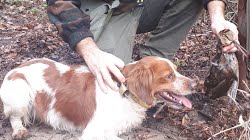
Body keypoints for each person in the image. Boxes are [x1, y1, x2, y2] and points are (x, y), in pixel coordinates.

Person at [46, 0, 239, 93]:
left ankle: (155, 68)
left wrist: (218, 19)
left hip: (138, 6)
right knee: (116, 85)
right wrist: (90, 51)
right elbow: (59, 3)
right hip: (101, 11)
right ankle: (120, 62)